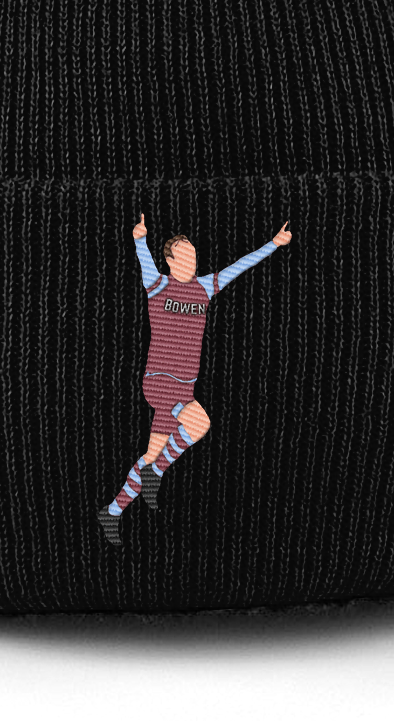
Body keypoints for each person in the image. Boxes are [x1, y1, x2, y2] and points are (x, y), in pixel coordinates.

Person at [98, 213, 292, 545]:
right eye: (184, 256)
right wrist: (140, 239)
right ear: (170, 261)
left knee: (150, 453)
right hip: (160, 382)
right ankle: (157, 472)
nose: (191, 262)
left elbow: (240, 266)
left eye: (194, 256)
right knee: (199, 424)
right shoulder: (158, 284)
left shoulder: (205, 286)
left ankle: (113, 511)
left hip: (184, 387)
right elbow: (143, 259)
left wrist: (273, 245)